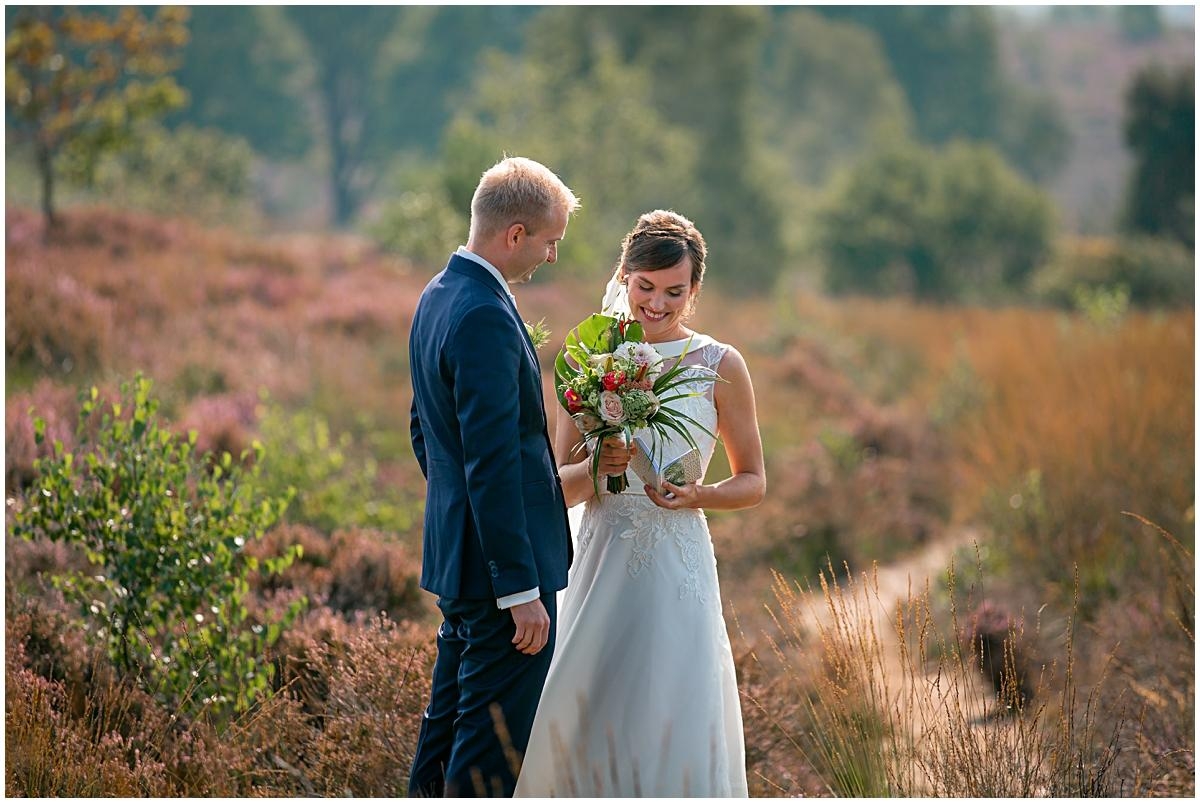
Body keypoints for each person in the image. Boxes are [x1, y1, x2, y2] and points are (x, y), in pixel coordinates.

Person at [515, 210, 766, 797]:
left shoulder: (720, 365)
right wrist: (597, 471)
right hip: (598, 558)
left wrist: (699, 494)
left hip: (678, 566)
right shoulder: (587, 360)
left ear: (694, 291)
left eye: (675, 292)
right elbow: (558, 486)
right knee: (590, 701)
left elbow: (753, 479)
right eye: (645, 287)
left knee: (672, 703)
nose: (657, 303)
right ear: (623, 277)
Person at [407, 156, 580, 797]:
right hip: (500, 577)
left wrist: (457, 513)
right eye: (550, 241)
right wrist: (517, 588)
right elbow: (492, 461)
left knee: (447, 729)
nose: (553, 256)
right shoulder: (481, 312)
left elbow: (425, 430)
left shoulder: (439, 293)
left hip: (461, 561)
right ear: (515, 235)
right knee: (485, 756)